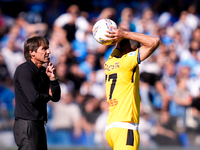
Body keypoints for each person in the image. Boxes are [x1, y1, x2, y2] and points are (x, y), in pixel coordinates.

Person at [104, 27, 160, 150]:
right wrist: (125, 33)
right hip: (126, 127)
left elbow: (119, 47)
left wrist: (119, 35)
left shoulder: (110, 61)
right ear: (133, 49)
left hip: (111, 128)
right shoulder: (127, 63)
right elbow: (154, 42)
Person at [13, 36, 61, 150]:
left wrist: (53, 79)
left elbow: (56, 97)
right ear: (32, 52)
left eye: (48, 48)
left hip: (38, 124)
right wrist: (49, 95)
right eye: (44, 49)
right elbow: (34, 98)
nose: (48, 51)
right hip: (27, 125)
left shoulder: (43, 72)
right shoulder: (24, 70)